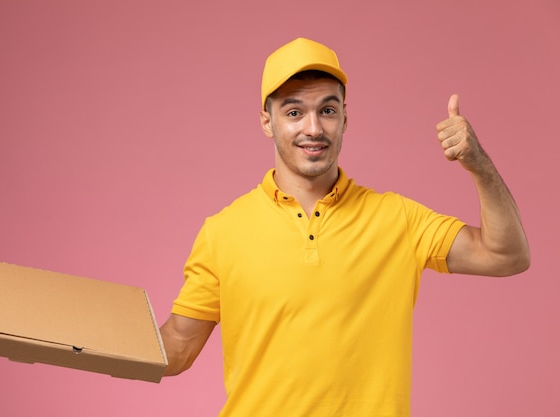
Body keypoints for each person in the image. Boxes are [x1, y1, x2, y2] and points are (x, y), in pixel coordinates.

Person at [159, 37, 530, 416]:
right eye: (293, 113)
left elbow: (507, 255)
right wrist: (100, 338)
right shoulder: (223, 232)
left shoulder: (397, 219)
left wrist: (479, 165)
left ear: (345, 119)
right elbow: (178, 346)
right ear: (266, 122)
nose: (314, 128)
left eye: (328, 110)